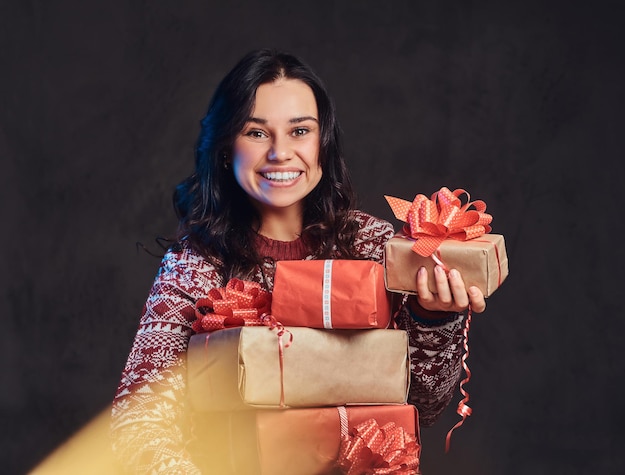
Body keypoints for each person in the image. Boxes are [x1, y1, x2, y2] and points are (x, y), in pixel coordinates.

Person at [110, 48, 486, 474]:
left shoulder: (374, 245)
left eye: (299, 131)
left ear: (322, 141)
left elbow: (423, 404)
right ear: (224, 146)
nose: (280, 153)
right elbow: (139, 422)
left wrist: (433, 318)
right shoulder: (195, 266)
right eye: (256, 133)